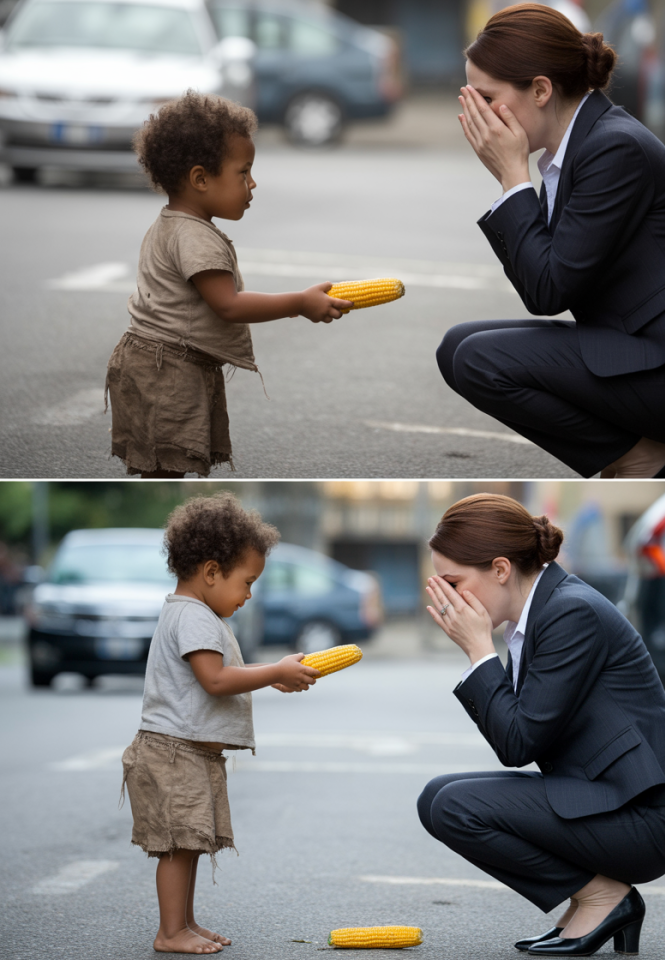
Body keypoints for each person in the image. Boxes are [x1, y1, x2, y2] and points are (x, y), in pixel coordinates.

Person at [437, 4, 665, 478]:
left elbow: (548, 290)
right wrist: (517, 180)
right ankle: (632, 451)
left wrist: (512, 179)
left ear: (540, 89)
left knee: (480, 360)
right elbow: (541, 284)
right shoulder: (576, 148)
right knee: (456, 346)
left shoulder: (613, 147)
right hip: (635, 348)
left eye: (485, 97)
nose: (477, 114)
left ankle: (638, 458)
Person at [418, 493, 665, 956]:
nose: (447, 598)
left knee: (455, 806)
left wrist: (477, 652)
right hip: (606, 800)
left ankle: (602, 897)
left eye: (453, 582)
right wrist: (485, 650)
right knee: (436, 797)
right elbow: (521, 734)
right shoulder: (538, 614)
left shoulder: (570, 612)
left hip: (645, 818)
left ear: (500, 568)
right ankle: (591, 897)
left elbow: (517, 743)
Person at [105, 91, 352, 479]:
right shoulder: (195, 238)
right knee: (166, 469)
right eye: (243, 172)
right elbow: (229, 305)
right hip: (167, 369)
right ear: (200, 178)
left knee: (158, 466)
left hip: (152, 360)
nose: (253, 183)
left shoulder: (171, 223)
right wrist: (300, 303)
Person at [120, 492, 321, 955]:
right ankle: (170, 932)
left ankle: (184, 922)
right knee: (177, 846)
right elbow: (214, 679)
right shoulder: (193, 617)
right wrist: (275, 673)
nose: (250, 594)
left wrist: (273, 678)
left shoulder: (194, 612)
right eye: (247, 582)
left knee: (188, 842)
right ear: (211, 572)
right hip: (174, 752)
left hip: (187, 750)